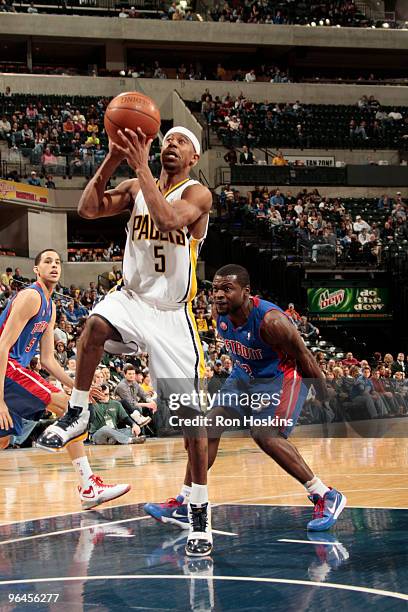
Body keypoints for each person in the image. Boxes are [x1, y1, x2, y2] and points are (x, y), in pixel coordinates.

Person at [37, 126, 213, 556]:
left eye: (181, 142)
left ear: (193, 158)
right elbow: (88, 208)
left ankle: (200, 514)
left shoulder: (198, 195)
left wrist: (138, 165)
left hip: (173, 317)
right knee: (94, 326)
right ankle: (77, 412)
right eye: (166, 140)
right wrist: (114, 157)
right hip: (133, 299)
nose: (171, 145)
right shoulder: (136, 184)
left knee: (192, 422)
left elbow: (169, 220)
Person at [144, 265, 346, 534]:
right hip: (243, 375)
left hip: (279, 376)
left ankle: (324, 494)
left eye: (227, 289)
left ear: (246, 292)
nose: (218, 295)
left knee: (264, 433)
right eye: (215, 289)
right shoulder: (220, 313)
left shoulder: (272, 322)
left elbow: (305, 358)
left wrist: (326, 398)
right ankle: (185, 503)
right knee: (207, 428)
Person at [0, 249, 130, 509]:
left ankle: (88, 487)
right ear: (36, 269)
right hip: (7, 367)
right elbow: (2, 346)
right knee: (67, 408)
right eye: (47, 261)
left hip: (15, 370)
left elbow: (48, 360)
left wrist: (80, 387)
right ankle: (88, 485)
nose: (54, 266)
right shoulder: (30, 296)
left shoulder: (50, 306)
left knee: (2, 440)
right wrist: (0, 401)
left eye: (57, 262)